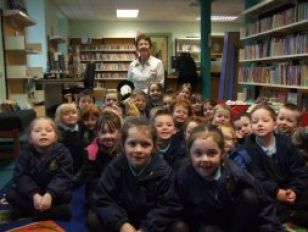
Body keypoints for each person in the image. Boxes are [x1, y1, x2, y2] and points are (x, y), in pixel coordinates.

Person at [175, 124, 283, 232]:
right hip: (202, 223)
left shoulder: (235, 172)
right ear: (189, 154)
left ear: (222, 153)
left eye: (212, 153)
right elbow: (176, 208)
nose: (205, 159)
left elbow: (263, 199)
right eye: (198, 153)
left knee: (250, 196)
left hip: (230, 221)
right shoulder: (182, 176)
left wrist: (271, 228)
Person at [87, 117, 182, 232]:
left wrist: (146, 228)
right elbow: (102, 198)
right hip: (123, 219)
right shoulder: (115, 166)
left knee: (179, 227)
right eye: (132, 144)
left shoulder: (163, 171)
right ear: (123, 144)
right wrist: (121, 224)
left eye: (145, 145)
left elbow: (168, 206)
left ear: (153, 147)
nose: (138, 150)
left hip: (150, 223)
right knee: (93, 219)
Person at [243, 104, 308, 228]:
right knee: (254, 196)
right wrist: (277, 191)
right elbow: (256, 177)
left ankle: (295, 211)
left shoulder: (285, 142)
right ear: (251, 126)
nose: (260, 124)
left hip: (290, 190)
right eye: (255, 122)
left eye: (265, 120)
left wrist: (294, 189)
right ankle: (291, 215)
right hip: (270, 192)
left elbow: (299, 169)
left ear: (274, 123)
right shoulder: (248, 148)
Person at [6, 117, 73, 221]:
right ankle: (50, 212)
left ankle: (30, 211)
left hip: (52, 192)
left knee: (67, 195)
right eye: (37, 131)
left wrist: (49, 194)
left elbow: (64, 176)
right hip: (32, 193)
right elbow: (20, 176)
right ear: (30, 138)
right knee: (10, 195)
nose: (43, 133)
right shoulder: (25, 153)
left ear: (55, 137)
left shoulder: (63, 152)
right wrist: (34, 195)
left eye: (49, 130)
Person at [84, 111, 122, 199]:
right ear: (97, 133)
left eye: (112, 132)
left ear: (119, 132)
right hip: (99, 191)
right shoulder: (91, 152)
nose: (107, 136)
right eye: (103, 132)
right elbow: (91, 180)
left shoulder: (124, 150)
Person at [55, 103, 85, 187]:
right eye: (66, 114)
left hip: (78, 162)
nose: (71, 115)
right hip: (64, 164)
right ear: (60, 117)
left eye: (73, 113)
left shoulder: (81, 127)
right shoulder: (57, 132)